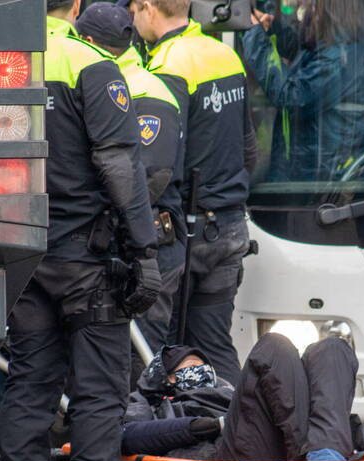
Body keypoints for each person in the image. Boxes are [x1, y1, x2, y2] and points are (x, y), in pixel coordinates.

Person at [0, 0, 162, 461]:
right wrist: (145, 248)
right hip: (84, 258)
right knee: (99, 389)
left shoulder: (5, 59)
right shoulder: (90, 63)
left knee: (29, 381)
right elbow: (118, 163)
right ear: (75, 7)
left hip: (20, 251)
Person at [125, 0, 257, 384]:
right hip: (231, 225)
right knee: (214, 346)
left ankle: (156, 437)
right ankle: (236, 432)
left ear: (148, 7)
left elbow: (163, 161)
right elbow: (249, 146)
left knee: (158, 347)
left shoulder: (167, 66)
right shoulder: (225, 54)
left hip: (187, 228)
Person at [76, 3, 185, 353]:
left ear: (89, 40)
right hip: (120, 247)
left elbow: (149, 179)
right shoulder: (106, 81)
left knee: (137, 365)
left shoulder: (144, 90)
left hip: (147, 249)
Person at [122, 334, 360, 461]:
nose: (200, 369)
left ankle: (326, 458)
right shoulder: (150, 402)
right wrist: (205, 426)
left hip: (276, 436)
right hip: (225, 447)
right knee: (273, 346)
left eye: (203, 365)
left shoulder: (225, 390)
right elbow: (128, 435)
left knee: (332, 348)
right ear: (166, 379)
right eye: (190, 366)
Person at [241, 0, 364, 183]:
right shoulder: (341, 46)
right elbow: (298, 49)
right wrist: (269, 27)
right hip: (314, 170)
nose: (309, 8)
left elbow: (291, 97)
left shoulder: (338, 58)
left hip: (316, 179)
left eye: (315, 5)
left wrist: (254, 34)